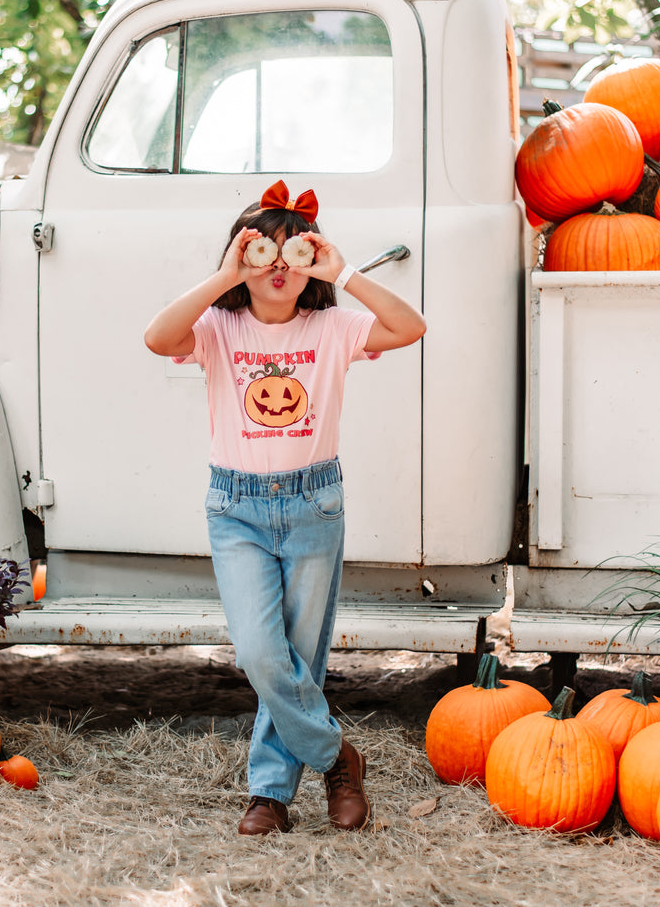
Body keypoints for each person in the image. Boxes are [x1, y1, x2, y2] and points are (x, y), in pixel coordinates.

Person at [143, 180, 426, 835]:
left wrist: (344, 270)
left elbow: (409, 326)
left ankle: (268, 793)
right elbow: (158, 336)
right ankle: (337, 759)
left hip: (311, 505)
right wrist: (222, 277)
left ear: (308, 262)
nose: (276, 265)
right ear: (241, 261)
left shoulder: (332, 327)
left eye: (289, 252)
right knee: (261, 654)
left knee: (298, 656)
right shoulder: (218, 327)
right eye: (259, 251)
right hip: (236, 508)